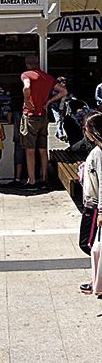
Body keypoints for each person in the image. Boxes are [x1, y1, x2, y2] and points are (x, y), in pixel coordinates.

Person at [20, 56, 67, 188]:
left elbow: (27, 86)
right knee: (42, 149)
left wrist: (27, 100)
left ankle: (32, 180)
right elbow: (63, 91)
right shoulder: (48, 78)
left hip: (30, 116)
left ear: (27, 64)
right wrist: (49, 101)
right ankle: (44, 178)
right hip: (43, 116)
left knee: (30, 150)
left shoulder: (26, 75)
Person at [80, 113, 102, 298]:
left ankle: (97, 280)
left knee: (89, 244)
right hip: (91, 204)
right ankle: (97, 279)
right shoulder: (96, 150)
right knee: (91, 245)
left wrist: (101, 211)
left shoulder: (99, 152)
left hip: (95, 206)